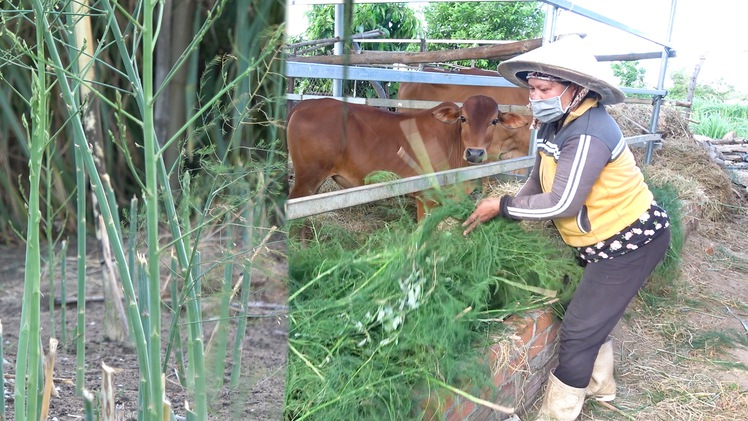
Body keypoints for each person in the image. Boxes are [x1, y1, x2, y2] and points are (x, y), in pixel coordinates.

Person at [461, 35, 671, 421]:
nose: (533, 98)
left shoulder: (589, 130)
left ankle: (557, 414)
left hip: (630, 242)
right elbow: (538, 180)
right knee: (587, 316)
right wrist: (514, 211)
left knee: (576, 331)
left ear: (576, 90)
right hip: (599, 242)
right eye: (531, 89)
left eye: (543, 89)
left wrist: (503, 206)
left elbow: (563, 201)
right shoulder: (554, 123)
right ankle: (600, 386)